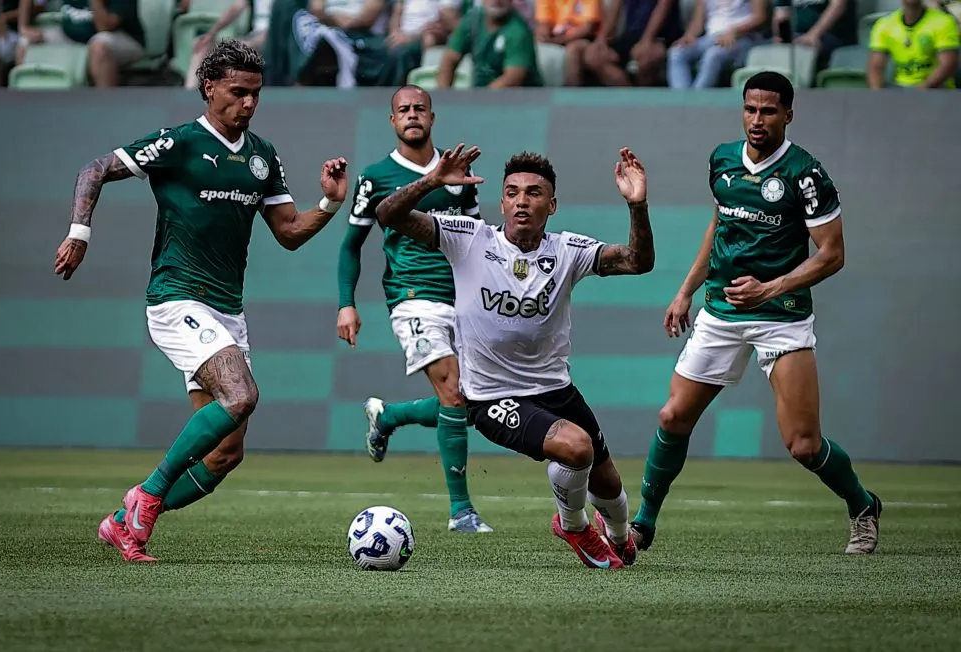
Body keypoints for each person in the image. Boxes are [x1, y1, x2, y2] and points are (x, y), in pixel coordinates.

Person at [53, 40, 349, 562]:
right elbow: (95, 168)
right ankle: (145, 494)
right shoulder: (178, 143)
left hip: (227, 311)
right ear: (209, 87)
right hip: (177, 298)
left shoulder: (262, 156)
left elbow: (289, 231)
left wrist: (328, 201)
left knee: (224, 455)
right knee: (241, 395)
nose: (249, 104)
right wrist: (80, 233)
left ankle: (123, 524)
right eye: (238, 92)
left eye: (256, 94)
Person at [630, 71, 882, 556]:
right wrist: (686, 291)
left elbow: (832, 254)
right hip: (722, 311)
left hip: (782, 315)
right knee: (673, 416)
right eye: (750, 109)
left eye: (768, 111)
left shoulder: (806, 174)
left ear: (788, 114)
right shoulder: (723, 160)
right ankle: (643, 523)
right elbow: (719, 225)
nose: (757, 120)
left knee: (804, 445)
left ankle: (863, 505)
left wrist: (771, 288)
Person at [374, 144, 654, 569]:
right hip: (493, 398)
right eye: (513, 191)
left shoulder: (566, 250)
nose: (522, 200)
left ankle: (619, 537)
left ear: (552, 204)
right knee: (577, 449)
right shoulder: (467, 238)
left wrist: (638, 205)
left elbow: (639, 262)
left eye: (534, 193)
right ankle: (574, 526)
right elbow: (387, 216)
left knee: (610, 486)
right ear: (501, 201)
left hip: (557, 390)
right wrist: (432, 180)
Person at [336, 85, 493, 535]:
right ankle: (461, 511)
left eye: (419, 108)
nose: (411, 115)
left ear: (432, 116)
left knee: (472, 401)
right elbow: (352, 246)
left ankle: (388, 416)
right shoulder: (376, 176)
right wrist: (347, 303)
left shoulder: (458, 170)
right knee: (452, 393)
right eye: (403, 110)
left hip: (461, 298)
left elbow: (475, 236)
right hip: (412, 296)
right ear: (392, 121)